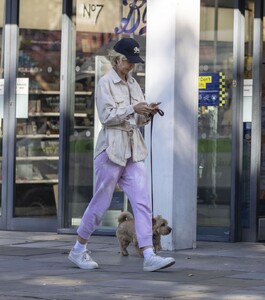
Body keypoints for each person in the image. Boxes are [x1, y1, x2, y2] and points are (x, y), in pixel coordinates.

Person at [68, 37, 175, 272]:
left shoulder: (134, 84)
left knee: (143, 202)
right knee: (100, 203)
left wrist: (147, 112)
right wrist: (132, 109)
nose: (132, 65)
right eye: (128, 61)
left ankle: (148, 254)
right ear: (116, 59)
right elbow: (106, 117)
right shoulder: (105, 83)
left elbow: (137, 119)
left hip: (133, 151)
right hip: (111, 151)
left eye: (134, 61)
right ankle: (78, 249)